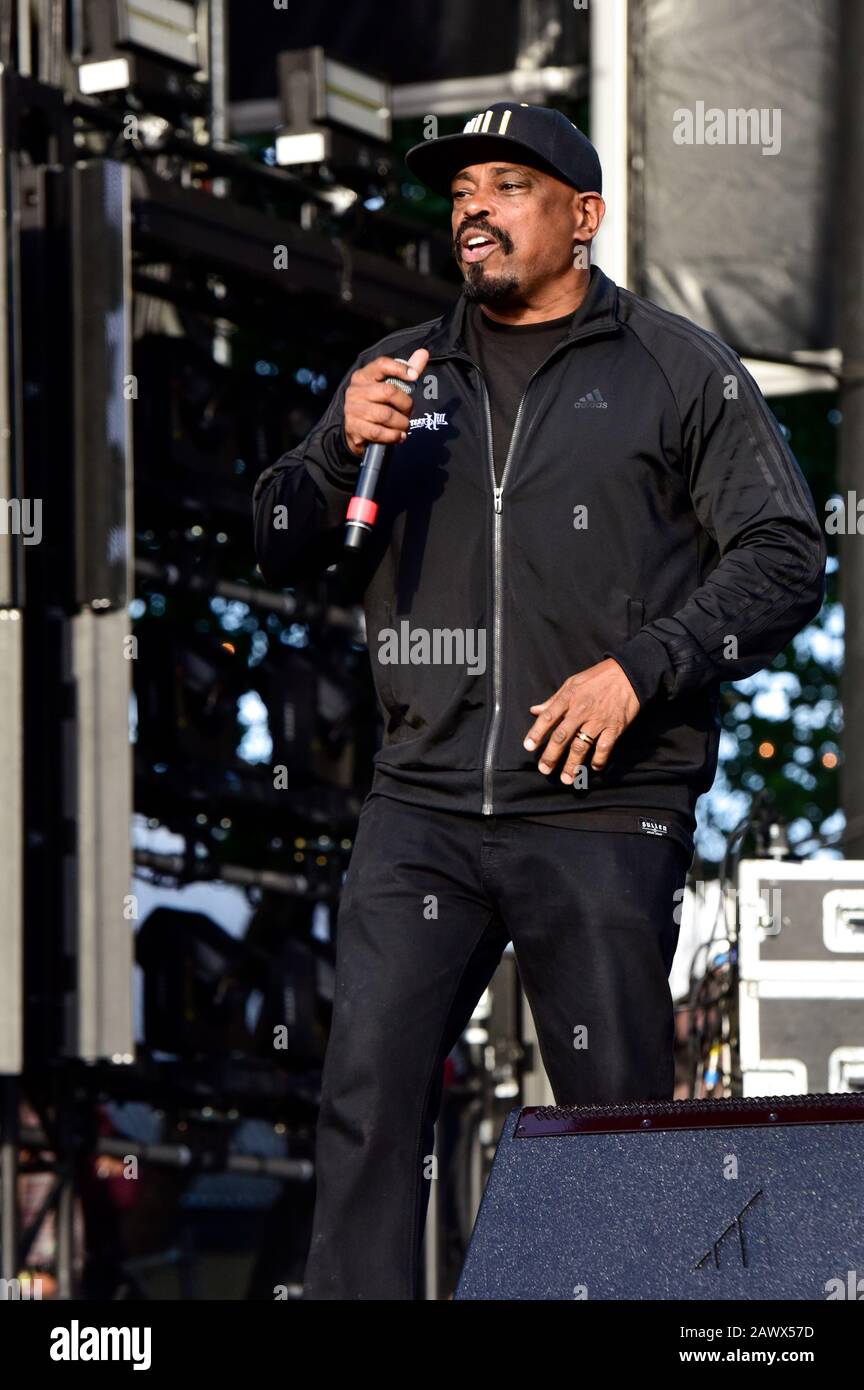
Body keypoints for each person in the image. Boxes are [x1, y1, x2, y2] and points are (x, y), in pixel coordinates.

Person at [252, 103, 826, 1300]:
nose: (476, 206)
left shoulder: (679, 369)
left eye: (510, 184)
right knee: (365, 1101)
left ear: (583, 218)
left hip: (601, 811)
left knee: (617, 1124)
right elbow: (277, 536)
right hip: (422, 808)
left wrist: (641, 669)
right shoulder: (402, 376)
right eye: (464, 190)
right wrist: (322, 458)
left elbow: (784, 555)